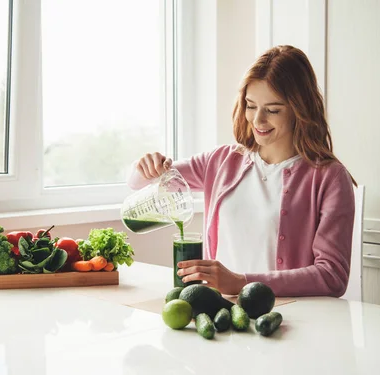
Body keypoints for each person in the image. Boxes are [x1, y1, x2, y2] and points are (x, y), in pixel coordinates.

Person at [127, 45, 356, 297]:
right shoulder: (222, 161)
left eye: (273, 109)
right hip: (220, 314)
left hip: (285, 319)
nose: (258, 120)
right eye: (250, 105)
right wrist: (146, 167)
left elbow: (332, 276)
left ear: (300, 110)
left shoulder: (329, 178)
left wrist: (240, 281)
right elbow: (138, 184)